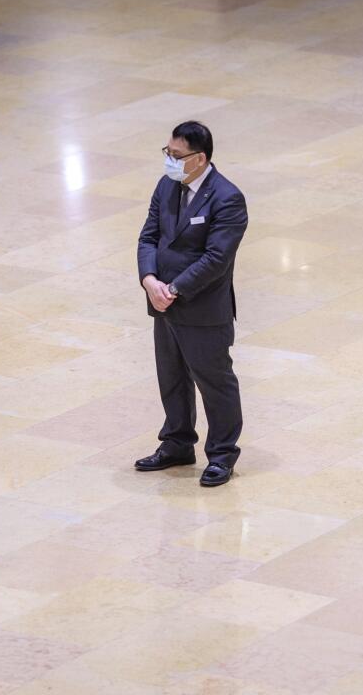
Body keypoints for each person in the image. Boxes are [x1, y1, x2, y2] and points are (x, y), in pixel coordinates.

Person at [135, 121, 248, 487]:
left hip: (200, 308)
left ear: (199, 159)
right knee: (172, 378)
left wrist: (175, 289)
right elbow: (149, 235)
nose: (169, 160)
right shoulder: (167, 186)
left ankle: (222, 454)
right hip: (163, 301)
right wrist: (150, 280)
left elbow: (217, 258)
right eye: (167, 152)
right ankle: (177, 443)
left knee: (215, 383)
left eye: (177, 155)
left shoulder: (227, 198)